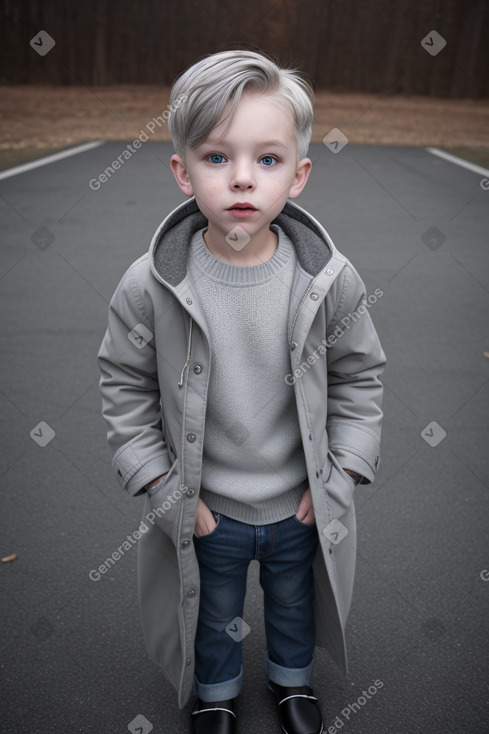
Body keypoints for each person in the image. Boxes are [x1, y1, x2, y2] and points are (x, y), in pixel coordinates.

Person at [98, 49, 385, 734]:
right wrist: (162, 485)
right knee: (211, 604)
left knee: (292, 602)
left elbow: (359, 376)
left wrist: (341, 471)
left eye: (266, 159)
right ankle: (217, 693)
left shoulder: (329, 280)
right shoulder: (150, 285)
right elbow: (123, 385)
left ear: (299, 174)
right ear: (181, 170)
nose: (242, 180)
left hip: (298, 504)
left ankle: (292, 684)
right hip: (206, 508)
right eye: (217, 158)